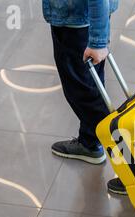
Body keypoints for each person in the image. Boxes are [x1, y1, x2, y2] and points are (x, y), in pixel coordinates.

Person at [42, 0, 127, 195]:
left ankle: (133, 166)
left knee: (84, 96)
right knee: (92, 87)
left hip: (77, 22)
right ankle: (90, 141)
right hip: (83, 17)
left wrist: (97, 41)